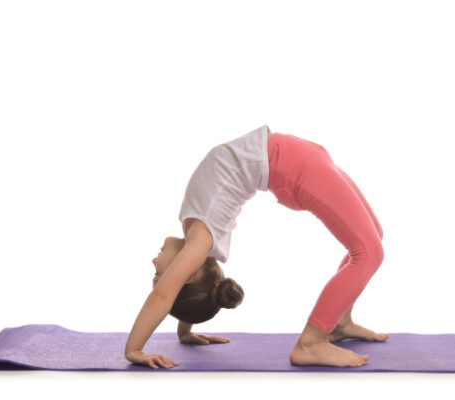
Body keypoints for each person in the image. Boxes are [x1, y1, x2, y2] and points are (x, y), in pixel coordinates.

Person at [124, 125, 387, 369]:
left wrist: (185, 331)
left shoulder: (193, 227)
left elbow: (179, 288)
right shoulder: (200, 239)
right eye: (160, 277)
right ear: (187, 273)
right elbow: (163, 296)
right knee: (368, 253)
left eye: (160, 276)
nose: (154, 266)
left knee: (374, 235)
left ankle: (339, 322)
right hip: (295, 169)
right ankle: (311, 343)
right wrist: (134, 349)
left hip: (298, 159)